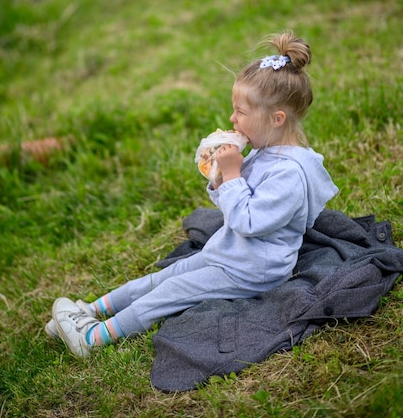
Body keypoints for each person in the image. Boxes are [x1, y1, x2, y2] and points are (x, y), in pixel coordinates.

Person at [47, 31, 338, 358]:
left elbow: (247, 221)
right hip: (230, 254)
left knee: (170, 292)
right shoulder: (266, 150)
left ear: (276, 118)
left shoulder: (289, 174)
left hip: (253, 270)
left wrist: (231, 175)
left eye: (240, 112)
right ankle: (90, 310)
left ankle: (92, 338)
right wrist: (218, 179)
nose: (232, 119)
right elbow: (233, 204)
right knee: (162, 278)